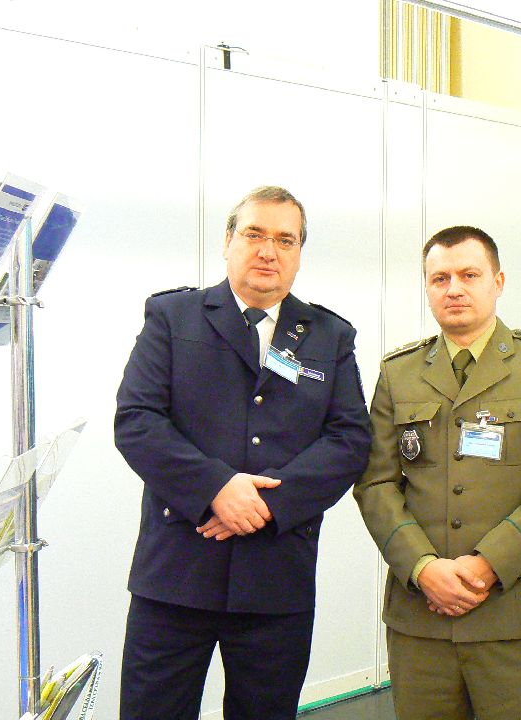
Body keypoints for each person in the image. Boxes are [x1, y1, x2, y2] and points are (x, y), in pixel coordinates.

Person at [114, 186, 372, 720]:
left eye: (285, 240)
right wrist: (216, 488)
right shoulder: (174, 316)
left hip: (275, 576)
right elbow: (137, 420)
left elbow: (349, 439)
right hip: (176, 573)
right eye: (254, 234)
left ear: (299, 253)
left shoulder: (329, 335)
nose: (268, 251)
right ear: (228, 241)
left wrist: (264, 505)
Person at [353, 226, 521, 720]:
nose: (454, 289)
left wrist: (486, 566)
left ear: (497, 282)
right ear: (427, 287)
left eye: (469, 275)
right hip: (420, 617)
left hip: (513, 613)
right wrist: (423, 567)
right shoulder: (399, 372)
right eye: (440, 278)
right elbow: (376, 484)